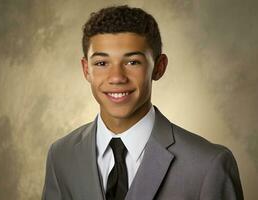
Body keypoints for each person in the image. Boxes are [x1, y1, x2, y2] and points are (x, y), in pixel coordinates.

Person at [42, 5, 244, 200]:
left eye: (132, 62)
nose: (117, 77)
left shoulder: (208, 164)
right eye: (102, 63)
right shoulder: (61, 155)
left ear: (159, 67)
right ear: (86, 70)